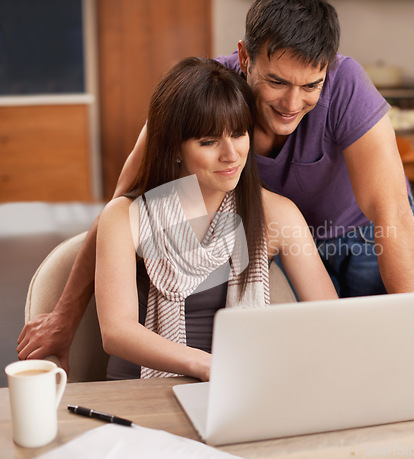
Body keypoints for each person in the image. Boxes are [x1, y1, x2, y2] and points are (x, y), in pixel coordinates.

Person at [18, 0, 414, 372]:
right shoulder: (206, 97)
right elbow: (123, 202)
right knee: (309, 350)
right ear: (245, 58)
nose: (293, 104)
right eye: (276, 82)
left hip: (365, 232)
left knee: (379, 358)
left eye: (310, 86)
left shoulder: (345, 86)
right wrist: (65, 314)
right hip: (285, 237)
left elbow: (393, 215)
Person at [95, 57, 337, 380]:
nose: (230, 154)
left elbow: (332, 318)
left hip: (234, 390)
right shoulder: (124, 217)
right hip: (138, 394)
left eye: (238, 134)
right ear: (175, 147)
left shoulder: (275, 214)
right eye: (208, 141)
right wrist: (204, 365)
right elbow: (116, 331)